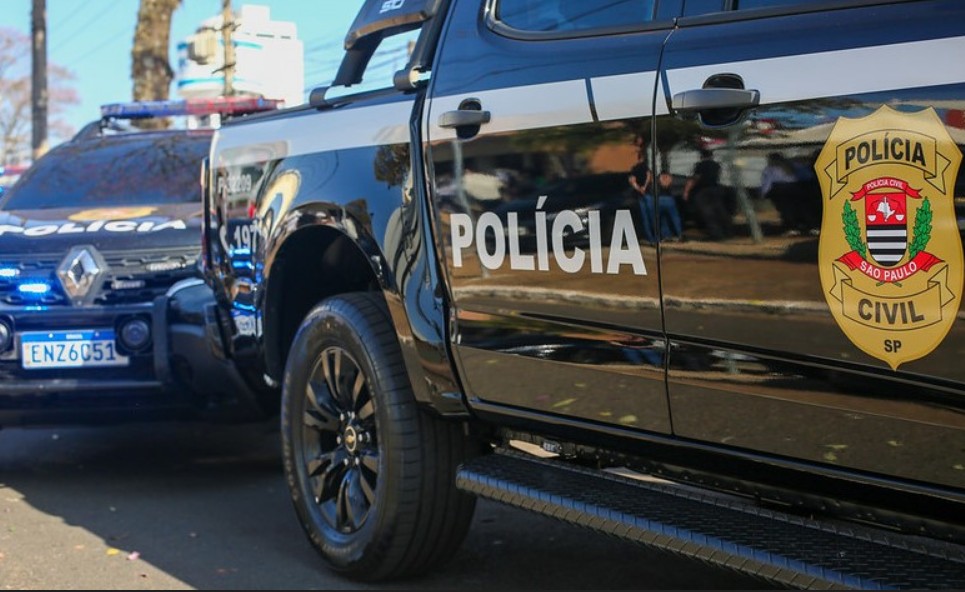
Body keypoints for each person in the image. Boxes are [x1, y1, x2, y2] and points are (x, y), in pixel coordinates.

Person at [683, 148, 731, 240]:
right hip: (716, 189)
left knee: (708, 213)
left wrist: (686, 191)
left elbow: (695, 178)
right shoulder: (716, 165)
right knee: (720, 211)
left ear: (701, 156)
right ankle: (727, 231)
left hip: (703, 191)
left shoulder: (700, 165)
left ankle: (716, 234)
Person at [761, 152, 806, 236]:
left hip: (781, 190)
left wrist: (763, 194)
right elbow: (804, 176)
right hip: (797, 188)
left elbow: (767, 183)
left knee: (785, 209)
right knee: (797, 207)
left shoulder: (770, 169)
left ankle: (791, 226)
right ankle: (801, 225)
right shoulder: (792, 167)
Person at [655, 170, 684, 241]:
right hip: (669, 198)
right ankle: (679, 234)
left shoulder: (659, 178)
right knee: (675, 217)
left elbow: (660, 185)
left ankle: (666, 235)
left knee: (663, 218)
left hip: (660, 199)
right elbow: (668, 185)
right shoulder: (669, 178)